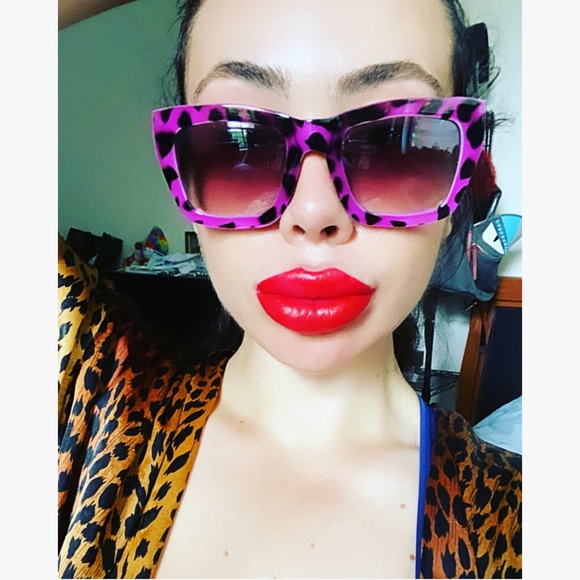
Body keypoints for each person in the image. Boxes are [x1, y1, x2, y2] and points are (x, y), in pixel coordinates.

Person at [58, 0, 522, 578]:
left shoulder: (519, 523)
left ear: (460, 181)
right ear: (188, 174)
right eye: (238, 147)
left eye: (396, 144)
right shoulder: (87, 398)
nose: (313, 211)